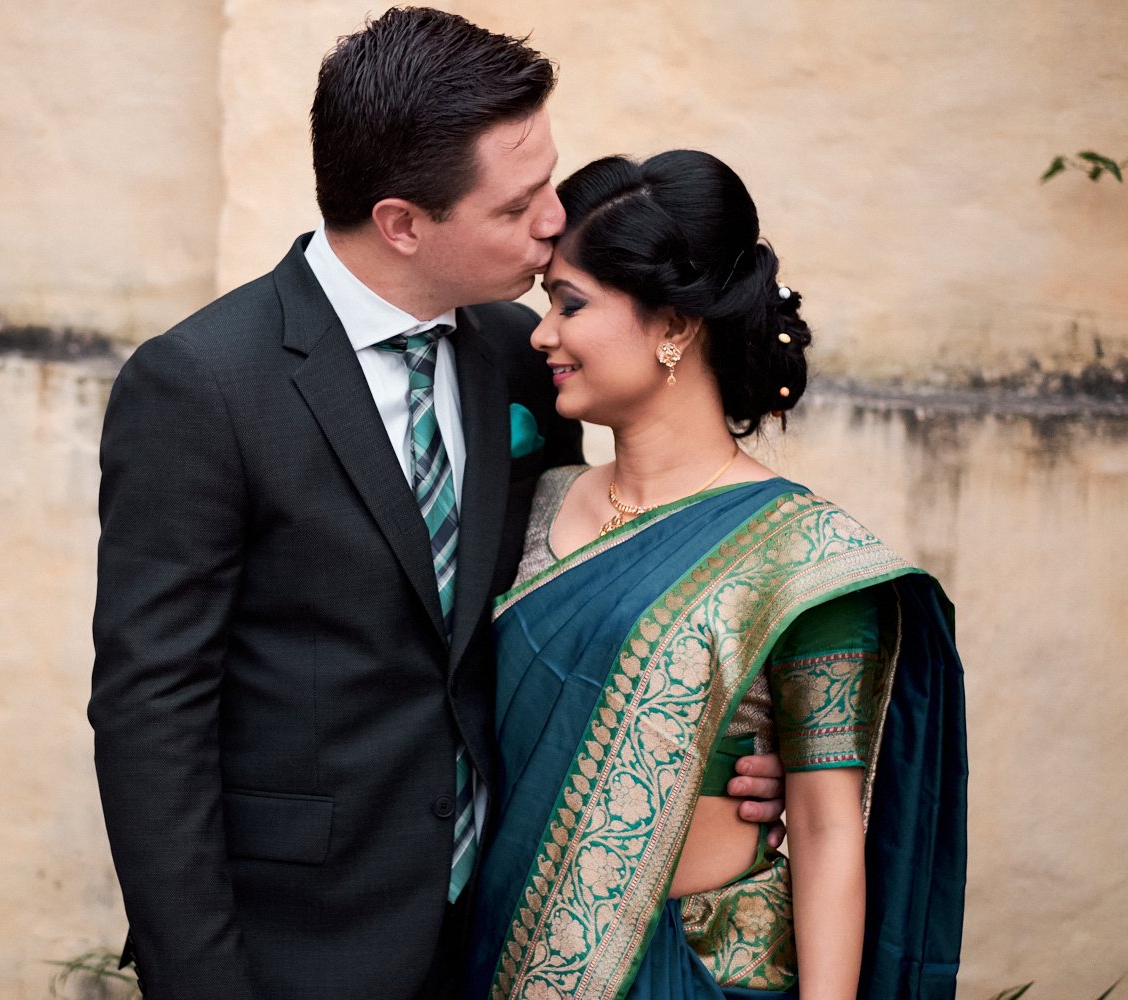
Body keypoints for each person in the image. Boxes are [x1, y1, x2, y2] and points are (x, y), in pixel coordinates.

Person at [90, 10, 786, 999]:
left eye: (550, 180)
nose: (556, 220)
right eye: (518, 205)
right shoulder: (202, 386)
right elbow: (151, 712)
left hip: (502, 929)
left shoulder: (520, 355)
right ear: (403, 223)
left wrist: (728, 756)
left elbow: (569, 611)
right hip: (296, 945)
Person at [462, 151, 968, 1000]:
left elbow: (826, 827)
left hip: (695, 973)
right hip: (497, 961)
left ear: (673, 325)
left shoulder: (799, 555)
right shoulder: (532, 505)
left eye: (570, 304)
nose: (543, 333)